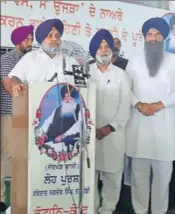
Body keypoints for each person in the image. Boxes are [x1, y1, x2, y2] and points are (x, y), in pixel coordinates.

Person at [126, 17, 175, 214]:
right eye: (149, 34)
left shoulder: (173, 61)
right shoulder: (135, 61)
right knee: (139, 179)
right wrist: (138, 104)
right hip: (139, 131)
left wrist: (160, 104)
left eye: (157, 34)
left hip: (165, 132)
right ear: (144, 37)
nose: (153, 38)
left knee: (163, 180)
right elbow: (125, 89)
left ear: (164, 37)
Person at [89, 29, 131, 214]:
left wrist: (109, 127)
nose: (104, 50)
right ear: (94, 50)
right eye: (100, 46)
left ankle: (107, 209)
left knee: (113, 175)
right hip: (89, 133)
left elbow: (126, 104)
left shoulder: (122, 74)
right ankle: (90, 208)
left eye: (107, 46)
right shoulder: (84, 71)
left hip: (113, 133)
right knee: (90, 175)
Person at [0, 25, 34, 203]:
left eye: (31, 38)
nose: (30, 42)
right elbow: (9, 88)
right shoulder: (7, 60)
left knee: (25, 156)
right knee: (7, 155)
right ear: (17, 40)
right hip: (10, 114)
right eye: (27, 39)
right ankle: (1, 196)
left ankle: (22, 196)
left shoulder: (33, 59)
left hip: (30, 116)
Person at [7, 18, 78, 94]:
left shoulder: (71, 61)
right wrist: (16, 84)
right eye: (50, 36)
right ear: (42, 40)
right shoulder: (30, 58)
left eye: (57, 36)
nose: (54, 39)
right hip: (35, 104)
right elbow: (15, 77)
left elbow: (83, 86)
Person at [40, 84, 84, 154]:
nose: (66, 99)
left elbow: (79, 125)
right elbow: (47, 122)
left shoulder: (80, 109)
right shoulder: (57, 110)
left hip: (67, 142)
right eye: (64, 97)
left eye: (68, 96)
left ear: (73, 97)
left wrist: (64, 135)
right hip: (51, 141)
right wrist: (43, 133)